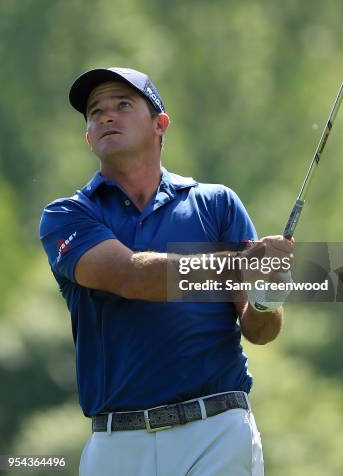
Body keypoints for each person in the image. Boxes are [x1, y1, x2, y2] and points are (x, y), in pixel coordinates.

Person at [39, 67, 294, 476]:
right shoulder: (68, 215)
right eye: (95, 111)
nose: (106, 116)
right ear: (89, 138)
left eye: (123, 105)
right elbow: (131, 277)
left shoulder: (216, 205)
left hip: (217, 431)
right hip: (117, 444)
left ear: (160, 124)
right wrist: (239, 264)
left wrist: (267, 292)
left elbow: (259, 330)